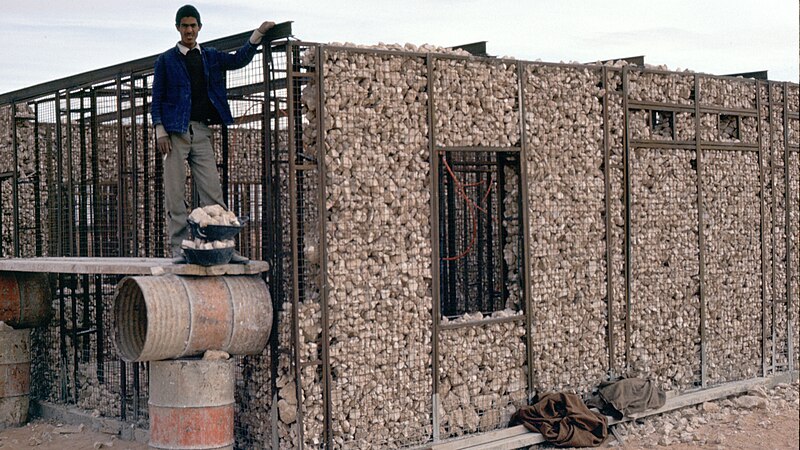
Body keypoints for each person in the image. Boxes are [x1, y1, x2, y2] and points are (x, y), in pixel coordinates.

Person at [151, 4, 274, 263]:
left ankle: (223, 246)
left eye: (193, 26)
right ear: (177, 28)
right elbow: (157, 97)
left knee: (212, 193)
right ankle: (180, 249)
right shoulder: (166, 60)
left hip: (202, 131)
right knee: (175, 195)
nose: (189, 30)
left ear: (199, 28)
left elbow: (238, 60)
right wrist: (160, 131)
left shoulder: (209, 56)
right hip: (175, 134)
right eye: (184, 26)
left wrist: (257, 36)